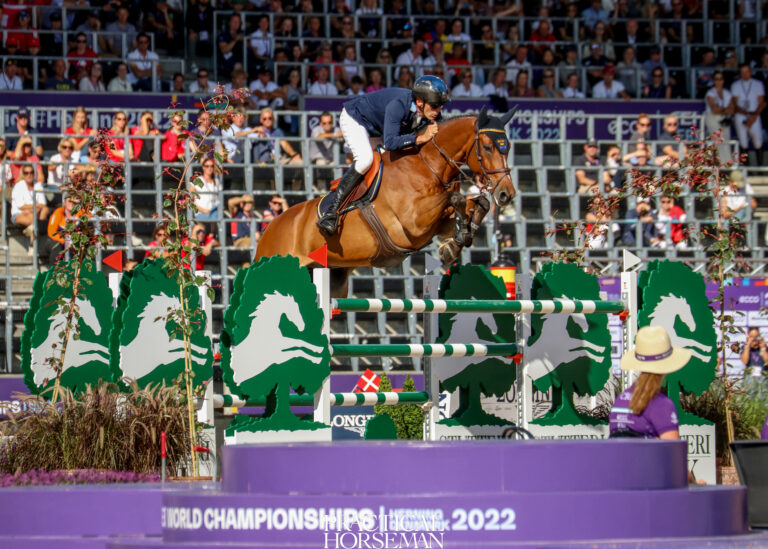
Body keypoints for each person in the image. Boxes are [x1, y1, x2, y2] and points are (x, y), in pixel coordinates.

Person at [315, 75, 449, 235]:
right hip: (356, 119)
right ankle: (331, 212)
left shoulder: (430, 113)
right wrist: (419, 138)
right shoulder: (398, 105)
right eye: (434, 106)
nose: (438, 111)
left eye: (441, 106)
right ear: (420, 102)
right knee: (365, 160)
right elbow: (391, 142)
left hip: (380, 129)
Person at [609, 325, 691, 439]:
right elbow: (673, 453)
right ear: (668, 364)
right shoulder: (662, 404)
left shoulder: (619, 401)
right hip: (648, 457)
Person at [731, 64, 765, 166]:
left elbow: (761, 101)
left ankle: (759, 168)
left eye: (746, 71)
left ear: (750, 71)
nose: (745, 74)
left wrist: (753, 116)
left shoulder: (757, 84)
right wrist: (745, 114)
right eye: (742, 72)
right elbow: (734, 103)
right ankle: (746, 168)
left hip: (754, 114)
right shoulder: (735, 85)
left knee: (758, 141)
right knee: (743, 142)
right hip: (741, 115)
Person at [12, 164, 49, 248]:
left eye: (31, 172)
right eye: (26, 173)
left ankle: (32, 234)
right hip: (19, 213)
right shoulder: (19, 186)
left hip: (35, 213)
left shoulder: (38, 185)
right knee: (34, 218)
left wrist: (32, 209)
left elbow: (43, 204)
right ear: (23, 174)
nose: (29, 175)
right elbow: (20, 206)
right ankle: (33, 244)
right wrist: (36, 206)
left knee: (45, 209)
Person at [705, 71, 736, 163]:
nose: (718, 81)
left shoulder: (727, 93)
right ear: (713, 80)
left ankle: (728, 163)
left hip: (724, 118)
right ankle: (726, 164)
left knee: (726, 142)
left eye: (720, 79)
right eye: (716, 79)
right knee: (719, 142)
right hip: (712, 118)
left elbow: (732, 109)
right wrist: (725, 109)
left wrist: (721, 109)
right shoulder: (710, 92)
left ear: (723, 80)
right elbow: (714, 109)